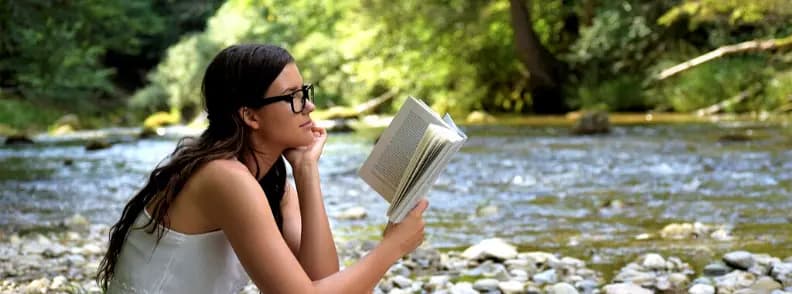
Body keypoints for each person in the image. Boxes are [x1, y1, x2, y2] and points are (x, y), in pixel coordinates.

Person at [97, 44, 428, 293]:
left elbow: (321, 277)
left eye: (305, 92)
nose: (309, 106)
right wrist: (392, 248)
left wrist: (306, 171)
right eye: (293, 97)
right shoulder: (223, 177)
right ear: (250, 116)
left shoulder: (269, 182)